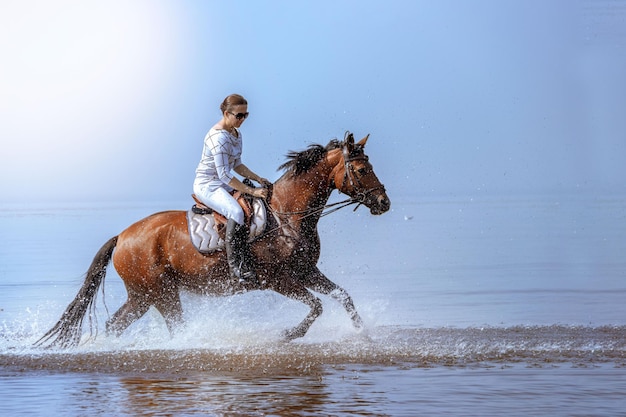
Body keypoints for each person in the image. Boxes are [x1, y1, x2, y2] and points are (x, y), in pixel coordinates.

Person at [193, 94, 269, 284]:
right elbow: (224, 175)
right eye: (239, 116)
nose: (243, 120)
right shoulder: (218, 138)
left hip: (224, 182)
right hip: (208, 184)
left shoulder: (236, 133)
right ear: (227, 113)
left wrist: (257, 178)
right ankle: (236, 267)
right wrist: (252, 191)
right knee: (236, 212)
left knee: (253, 205)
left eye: (246, 115)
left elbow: (237, 165)